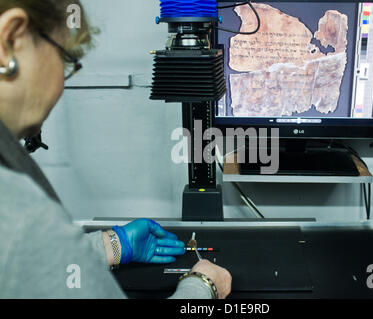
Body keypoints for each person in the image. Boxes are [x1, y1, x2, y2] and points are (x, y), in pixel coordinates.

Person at [0, 0, 231, 299]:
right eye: (65, 58)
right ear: (9, 40)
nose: (60, 81)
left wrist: (110, 245)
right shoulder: (21, 212)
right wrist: (203, 287)